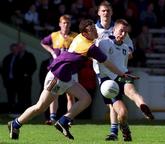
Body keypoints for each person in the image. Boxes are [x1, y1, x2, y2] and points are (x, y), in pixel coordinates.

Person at [8, 19, 130, 140]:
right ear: (85, 33)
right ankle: (16, 123)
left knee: (86, 99)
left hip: (67, 77)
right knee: (40, 107)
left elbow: (89, 55)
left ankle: (64, 121)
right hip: (57, 76)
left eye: (94, 27)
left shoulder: (79, 37)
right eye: (91, 29)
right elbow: (107, 62)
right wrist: (122, 73)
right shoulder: (90, 47)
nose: (94, 30)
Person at [97, 19, 154, 142]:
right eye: (121, 31)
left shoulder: (125, 48)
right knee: (122, 113)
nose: (123, 34)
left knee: (133, 92)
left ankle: (143, 107)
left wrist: (125, 73)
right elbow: (97, 59)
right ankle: (124, 127)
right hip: (108, 81)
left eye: (125, 33)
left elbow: (123, 63)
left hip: (123, 76)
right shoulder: (103, 43)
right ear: (113, 30)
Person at [94, 1, 134, 141]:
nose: (106, 13)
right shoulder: (94, 30)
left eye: (108, 11)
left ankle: (114, 132)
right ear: (98, 12)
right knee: (113, 101)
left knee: (114, 100)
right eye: (103, 10)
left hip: (118, 70)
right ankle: (117, 129)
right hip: (102, 71)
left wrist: (128, 51)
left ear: (112, 13)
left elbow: (129, 45)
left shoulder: (117, 28)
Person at [40, 14, 78, 124]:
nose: (66, 25)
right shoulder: (54, 35)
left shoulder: (75, 36)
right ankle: (52, 118)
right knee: (54, 93)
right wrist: (52, 51)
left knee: (71, 96)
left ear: (70, 24)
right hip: (57, 70)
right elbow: (43, 42)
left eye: (68, 23)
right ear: (60, 24)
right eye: (64, 23)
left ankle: (69, 118)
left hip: (71, 70)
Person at [2, 42, 37, 114]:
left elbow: (32, 67)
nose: (19, 49)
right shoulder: (9, 57)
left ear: (24, 47)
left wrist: (27, 74)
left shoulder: (28, 56)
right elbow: (3, 70)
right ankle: (12, 112)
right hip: (11, 82)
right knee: (11, 98)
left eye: (21, 47)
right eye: (18, 47)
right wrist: (5, 80)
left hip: (24, 81)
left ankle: (27, 114)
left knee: (24, 98)